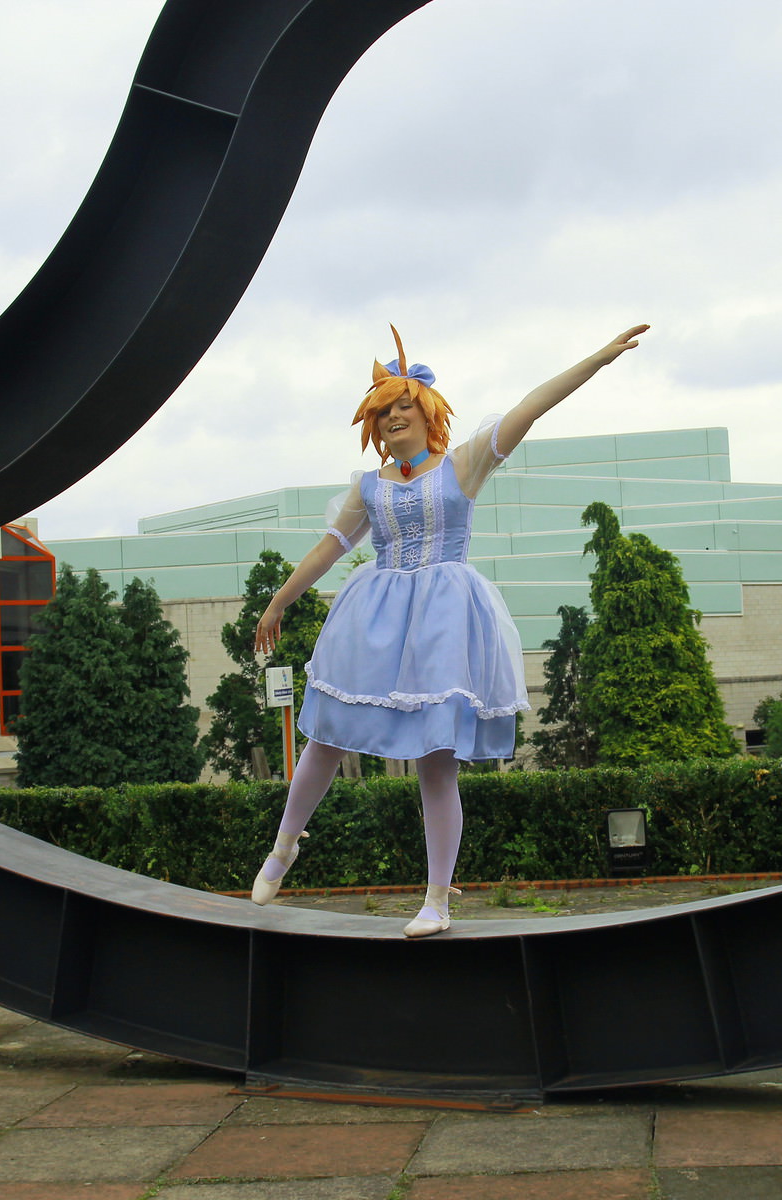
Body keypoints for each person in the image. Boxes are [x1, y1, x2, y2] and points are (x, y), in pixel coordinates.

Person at [252, 323, 650, 936]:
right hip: (375, 617)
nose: (392, 418)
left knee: (437, 760)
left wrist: (596, 360)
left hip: (443, 621)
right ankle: (284, 847)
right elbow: (330, 547)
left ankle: (437, 899)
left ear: (427, 412)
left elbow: (528, 409)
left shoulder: (462, 465)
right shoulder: (370, 486)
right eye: (382, 411)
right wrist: (278, 602)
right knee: (327, 734)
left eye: (403, 407)